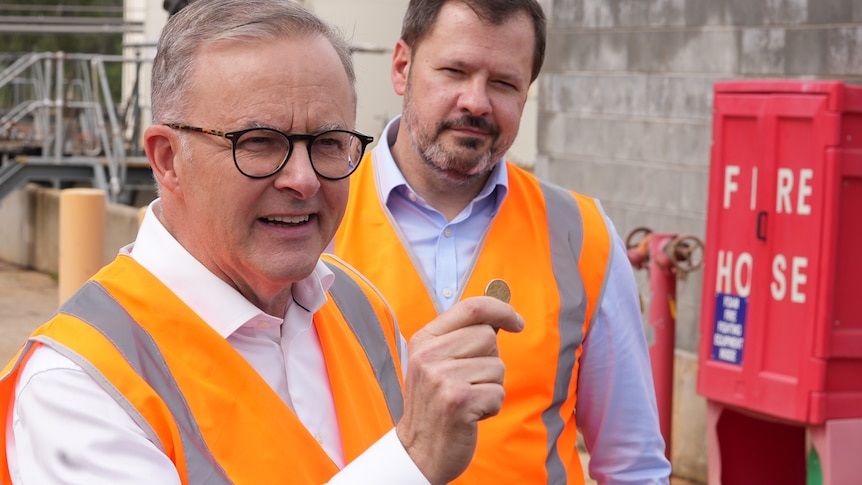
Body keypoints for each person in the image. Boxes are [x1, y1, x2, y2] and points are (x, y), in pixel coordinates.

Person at [0, 1, 524, 484]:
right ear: (166, 159)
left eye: (327, 143)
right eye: (259, 143)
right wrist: (413, 458)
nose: (303, 179)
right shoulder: (77, 385)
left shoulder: (360, 307)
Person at [332, 0, 672, 483]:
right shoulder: (317, 217)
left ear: (526, 93)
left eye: (504, 83)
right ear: (402, 67)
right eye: (454, 70)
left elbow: (633, 464)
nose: (476, 101)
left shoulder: (581, 235)